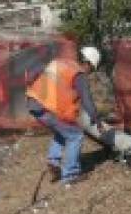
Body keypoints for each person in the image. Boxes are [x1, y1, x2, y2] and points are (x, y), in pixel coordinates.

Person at [25, 44, 106, 183]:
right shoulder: (78, 74)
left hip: (34, 103)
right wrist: (97, 120)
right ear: (87, 63)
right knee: (76, 136)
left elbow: (35, 72)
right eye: (91, 69)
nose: (90, 72)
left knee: (64, 131)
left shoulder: (60, 62)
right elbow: (87, 100)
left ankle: (53, 161)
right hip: (48, 108)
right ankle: (70, 175)